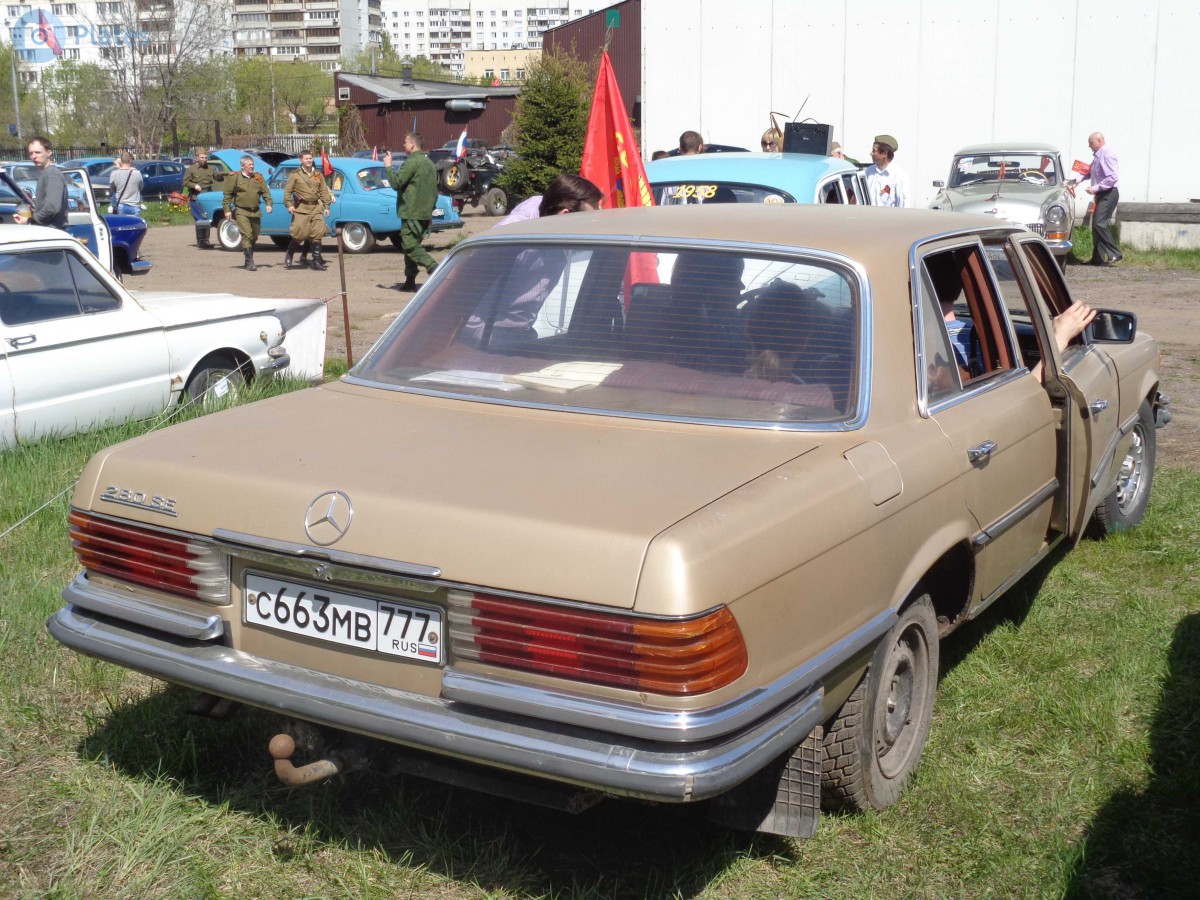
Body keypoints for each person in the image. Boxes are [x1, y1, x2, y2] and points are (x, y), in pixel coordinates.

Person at [461, 174, 602, 347]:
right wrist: (489, 342)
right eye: (589, 219)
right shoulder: (511, 239)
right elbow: (463, 291)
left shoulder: (550, 212)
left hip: (520, 332)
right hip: (489, 337)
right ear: (565, 215)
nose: (594, 224)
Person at [383, 133, 438, 291]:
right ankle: (410, 280)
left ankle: (433, 267)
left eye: (405, 142)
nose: (403, 144)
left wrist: (388, 165)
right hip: (424, 213)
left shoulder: (412, 162)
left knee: (410, 246)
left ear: (412, 145)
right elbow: (434, 191)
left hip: (411, 212)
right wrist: (430, 212)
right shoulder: (430, 164)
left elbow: (396, 183)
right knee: (410, 247)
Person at [282, 150, 332, 271]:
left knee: (317, 234)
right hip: (301, 208)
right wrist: (289, 205)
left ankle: (316, 261)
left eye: (310, 158)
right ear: (301, 160)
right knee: (299, 234)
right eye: (306, 159)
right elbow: (287, 192)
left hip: (315, 208)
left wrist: (326, 206)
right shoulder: (295, 174)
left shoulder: (318, 175)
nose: (309, 161)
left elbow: (324, 191)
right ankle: (290, 252)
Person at [223, 154, 272, 271]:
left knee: (254, 236)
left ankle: (247, 258)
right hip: (241, 211)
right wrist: (227, 210)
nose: (252, 166)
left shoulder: (258, 177)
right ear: (242, 166)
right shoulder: (235, 177)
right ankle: (250, 262)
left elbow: (265, 192)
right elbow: (227, 195)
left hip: (255, 211)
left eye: (252, 164)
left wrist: (269, 204)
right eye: (249, 165)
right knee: (247, 235)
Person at [13, 135, 68, 229]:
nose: (34, 157)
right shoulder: (46, 173)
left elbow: (52, 207)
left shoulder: (52, 174)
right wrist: (35, 211)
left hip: (52, 233)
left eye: (38, 152)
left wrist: (30, 220)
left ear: (49, 152)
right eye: (31, 153)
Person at [1084, 132, 1122, 265]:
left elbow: (1112, 177)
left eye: (1091, 142)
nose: (1089, 145)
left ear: (1099, 141)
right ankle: (1098, 259)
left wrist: (1095, 188)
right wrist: (1076, 179)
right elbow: (1090, 172)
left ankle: (1115, 253)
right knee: (1096, 226)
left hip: (1109, 193)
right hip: (1102, 194)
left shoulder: (1107, 154)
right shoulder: (1098, 156)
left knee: (1100, 224)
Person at [864, 134, 913, 208]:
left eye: (874, 151)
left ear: (884, 154)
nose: (871, 153)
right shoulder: (869, 171)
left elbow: (904, 205)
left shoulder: (899, 176)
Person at [182, 150, 217, 248]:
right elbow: (185, 182)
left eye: (206, 158)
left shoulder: (211, 168)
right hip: (196, 198)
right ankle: (200, 241)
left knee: (207, 219)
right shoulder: (191, 169)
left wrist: (226, 175)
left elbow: (217, 177)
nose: (204, 160)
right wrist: (194, 185)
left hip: (208, 197)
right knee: (199, 219)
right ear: (197, 157)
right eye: (202, 158)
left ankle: (206, 241)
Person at [108, 151, 143, 217]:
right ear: (130, 160)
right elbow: (141, 187)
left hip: (121, 204)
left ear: (121, 160)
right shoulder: (137, 173)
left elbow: (112, 189)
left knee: (122, 225)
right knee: (135, 225)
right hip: (134, 204)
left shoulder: (114, 174)